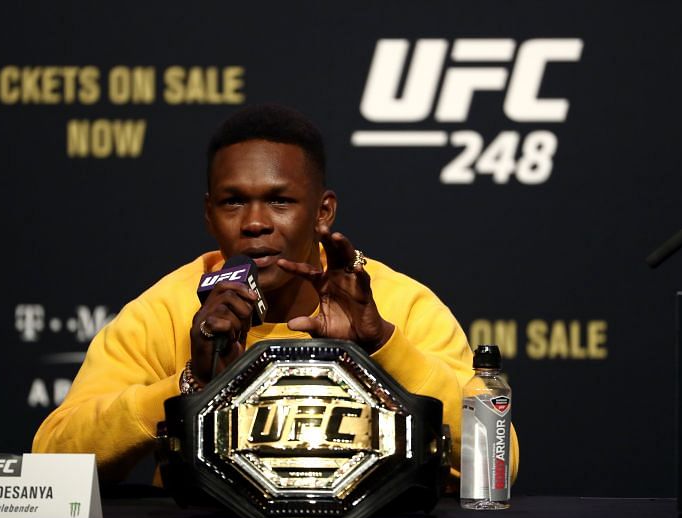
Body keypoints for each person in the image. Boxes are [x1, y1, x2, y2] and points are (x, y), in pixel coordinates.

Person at [32, 103, 519, 485]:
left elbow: (499, 461)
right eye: (233, 201)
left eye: (280, 200)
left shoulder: (398, 306)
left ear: (323, 212)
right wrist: (188, 386)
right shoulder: (167, 309)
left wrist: (384, 348)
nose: (255, 222)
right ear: (209, 214)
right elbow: (52, 459)